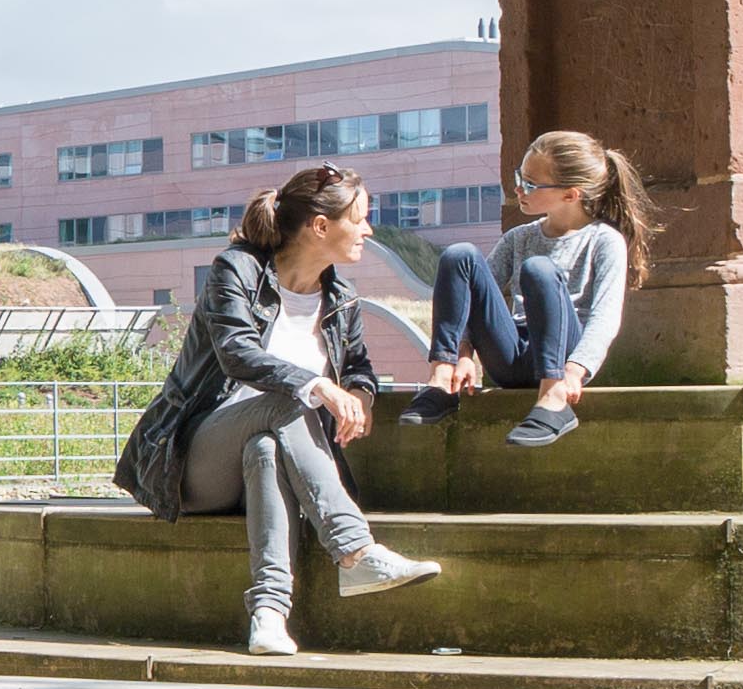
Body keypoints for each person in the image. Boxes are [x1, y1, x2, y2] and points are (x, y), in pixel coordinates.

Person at [109, 163, 438, 655]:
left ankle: (267, 615)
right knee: (285, 402)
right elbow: (238, 354)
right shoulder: (238, 269)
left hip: (268, 457)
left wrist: (360, 400)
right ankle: (355, 551)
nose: (369, 230)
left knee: (265, 446)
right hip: (191, 459)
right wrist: (320, 387)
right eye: (361, 218)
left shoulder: (340, 298)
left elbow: (361, 370)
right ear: (320, 226)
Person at [420, 129, 649, 449]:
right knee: (460, 256)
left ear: (571, 194)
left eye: (530, 183)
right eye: (519, 176)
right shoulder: (519, 237)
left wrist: (575, 371)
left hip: (562, 358)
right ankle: (442, 378)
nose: (518, 188)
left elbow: (605, 317)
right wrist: (465, 353)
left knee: (538, 269)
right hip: (513, 356)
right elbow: (472, 299)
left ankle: (553, 398)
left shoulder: (603, 240)